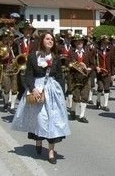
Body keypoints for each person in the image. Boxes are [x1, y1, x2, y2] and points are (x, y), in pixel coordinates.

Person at [11, 32, 71, 164]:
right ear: (42, 41)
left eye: (52, 40)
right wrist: (32, 89)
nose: (50, 41)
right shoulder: (33, 57)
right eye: (47, 39)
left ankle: (51, 151)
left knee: (53, 120)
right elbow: (28, 76)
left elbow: (60, 76)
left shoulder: (56, 58)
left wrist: (62, 93)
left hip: (53, 90)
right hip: (37, 88)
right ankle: (38, 140)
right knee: (40, 118)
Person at [69, 33, 95, 123]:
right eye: (77, 41)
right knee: (76, 96)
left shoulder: (88, 52)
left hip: (85, 77)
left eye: (81, 41)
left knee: (85, 96)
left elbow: (93, 65)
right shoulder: (71, 52)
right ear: (75, 43)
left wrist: (88, 68)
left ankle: (82, 115)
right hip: (75, 77)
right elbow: (67, 64)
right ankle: (72, 111)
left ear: (84, 42)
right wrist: (75, 66)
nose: (79, 43)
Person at [95, 35, 112, 112]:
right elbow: (92, 61)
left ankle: (105, 105)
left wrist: (113, 73)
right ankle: (98, 100)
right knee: (100, 87)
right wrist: (96, 67)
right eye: (104, 42)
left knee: (107, 88)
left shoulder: (109, 51)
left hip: (107, 72)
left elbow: (113, 61)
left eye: (107, 43)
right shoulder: (96, 51)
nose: (105, 44)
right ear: (101, 42)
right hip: (99, 72)